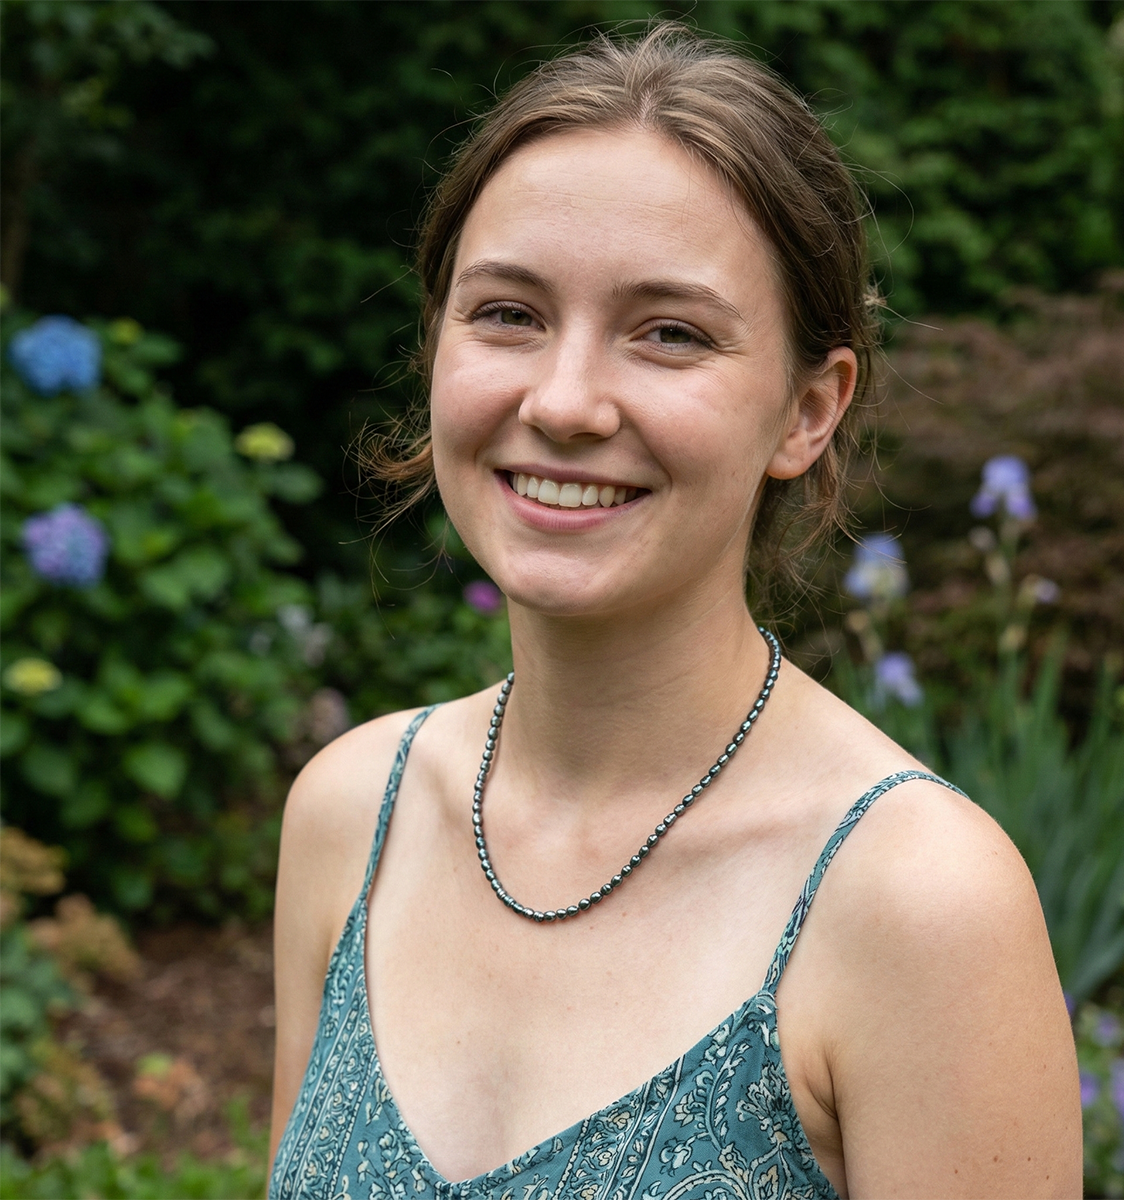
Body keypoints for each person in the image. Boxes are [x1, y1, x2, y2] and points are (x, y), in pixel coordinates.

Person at [268, 23, 1081, 1200]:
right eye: (508, 314)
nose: (564, 402)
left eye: (670, 334)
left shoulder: (915, 905)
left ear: (808, 410)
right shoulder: (354, 817)